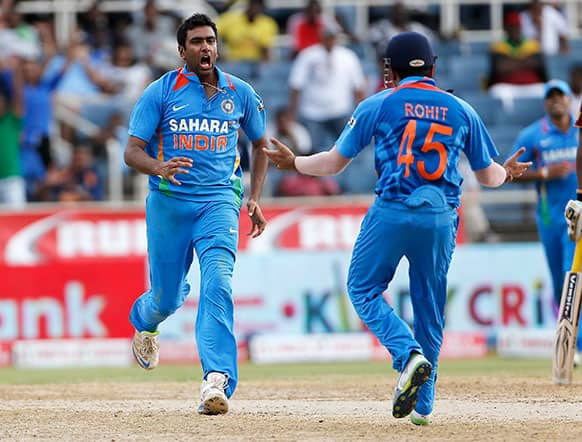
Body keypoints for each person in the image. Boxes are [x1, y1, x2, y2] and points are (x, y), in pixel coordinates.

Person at [264, 32, 531, 425]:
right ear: (434, 68)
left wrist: (294, 163)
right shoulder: (462, 109)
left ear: (389, 71)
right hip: (441, 216)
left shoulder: (379, 102)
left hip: (392, 208)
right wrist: (506, 172)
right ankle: (423, 408)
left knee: (361, 287)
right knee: (429, 308)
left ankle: (407, 354)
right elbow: (488, 177)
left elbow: (335, 163)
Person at [124, 13, 269, 416]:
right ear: (181, 50)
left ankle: (216, 379)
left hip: (219, 202)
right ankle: (145, 321)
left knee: (219, 280)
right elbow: (131, 151)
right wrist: (157, 167)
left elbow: (262, 145)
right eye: (196, 42)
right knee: (166, 298)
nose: (205, 48)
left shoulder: (239, 93)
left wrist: (253, 197)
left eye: (210, 41)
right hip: (169, 204)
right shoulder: (161, 92)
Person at [508, 79, 581, 353]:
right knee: (559, 282)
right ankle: (569, 341)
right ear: (544, 103)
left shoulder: (579, 130)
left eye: (559, 95)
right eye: (549, 97)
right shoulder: (534, 135)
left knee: (572, 276)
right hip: (550, 219)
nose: (555, 101)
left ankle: (575, 345)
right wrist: (544, 173)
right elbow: (510, 171)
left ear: (568, 99)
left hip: (579, 219)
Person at [487, 11, 547, 110]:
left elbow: (538, 64)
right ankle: (507, 121)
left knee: (548, 90)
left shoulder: (533, 45)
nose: (515, 29)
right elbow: (500, 68)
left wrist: (512, 62)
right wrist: (526, 61)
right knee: (496, 92)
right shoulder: (498, 47)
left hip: (532, 86)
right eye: (512, 26)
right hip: (507, 87)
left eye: (517, 26)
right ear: (506, 28)